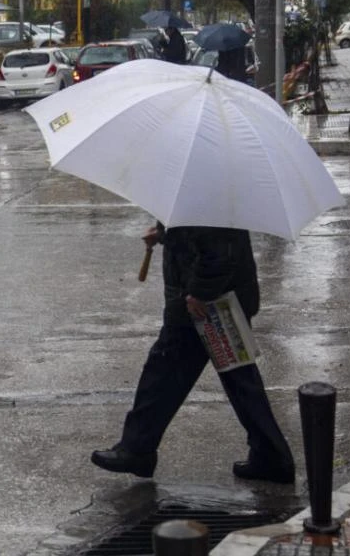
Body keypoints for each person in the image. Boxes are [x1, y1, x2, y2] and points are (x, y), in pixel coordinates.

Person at [90, 56, 296, 485]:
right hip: (220, 298)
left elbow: (218, 249)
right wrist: (164, 232)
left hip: (208, 302)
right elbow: (195, 223)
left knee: (165, 369)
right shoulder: (204, 163)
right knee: (236, 378)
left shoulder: (210, 171)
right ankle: (270, 456)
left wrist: (198, 297)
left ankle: (138, 448)